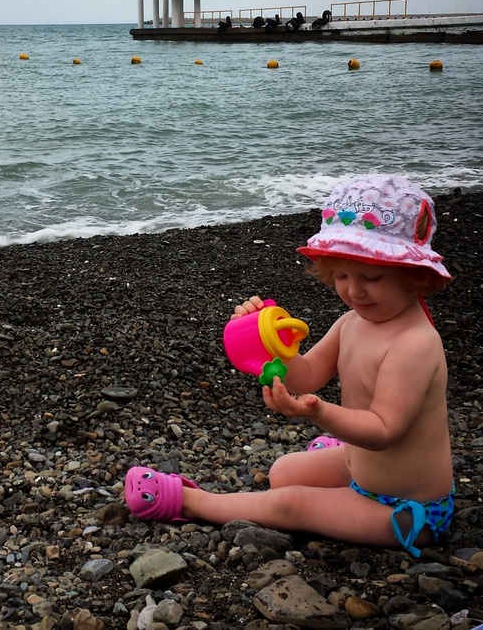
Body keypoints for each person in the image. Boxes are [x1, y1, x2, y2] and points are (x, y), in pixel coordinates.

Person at [124, 174, 455, 557]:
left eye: (372, 277)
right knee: (283, 471)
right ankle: (338, 451)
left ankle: (189, 501)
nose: (354, 290)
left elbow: (383, 430)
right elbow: (307, 375)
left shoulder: (413, 343)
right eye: (342, 275)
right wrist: (266, 339)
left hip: (407, 510)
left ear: (415, 275)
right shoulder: (352, 323)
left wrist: (318, 412)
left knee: (291, 503)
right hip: (362, 465)